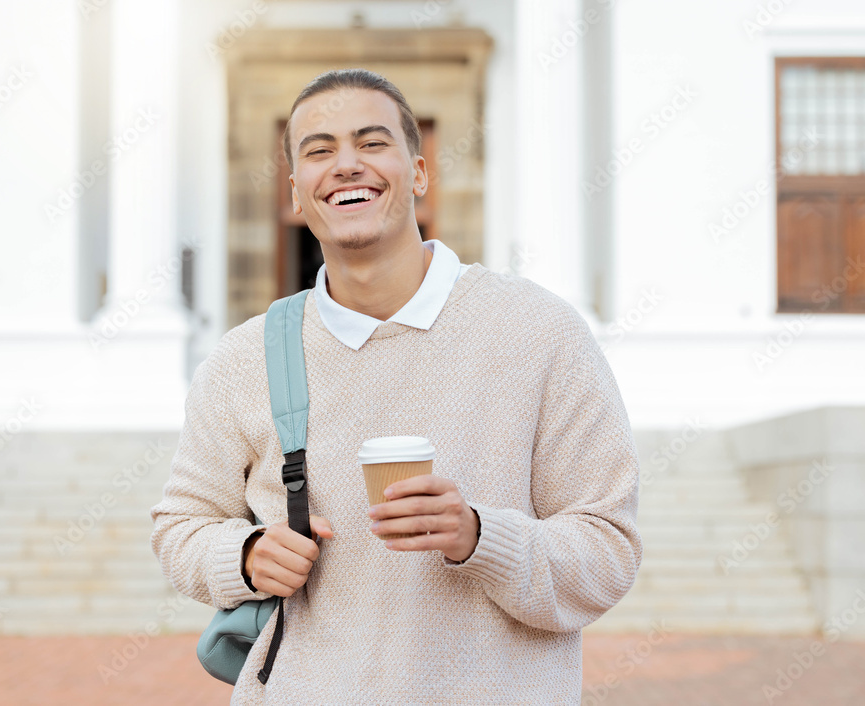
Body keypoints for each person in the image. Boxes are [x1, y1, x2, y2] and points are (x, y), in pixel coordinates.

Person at [150, 67, 642, 705]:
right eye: (319, 151)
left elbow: (608, 549)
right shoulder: (246, 358)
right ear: (297, 193)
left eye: (372, 142)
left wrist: (479, 536)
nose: (346, 164)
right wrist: (244, 556)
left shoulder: (538, 332)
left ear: (420, 173)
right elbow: (179, 526)